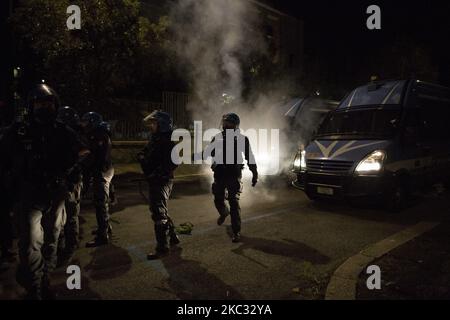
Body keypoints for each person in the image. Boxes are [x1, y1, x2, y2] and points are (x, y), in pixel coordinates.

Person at [0, 84, 88, 299]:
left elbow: (84, 151)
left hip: (55, 194)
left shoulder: (61, 131)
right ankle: (35, 287)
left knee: (52, 240)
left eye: (48, 103)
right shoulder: (19, 131)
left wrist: (70, 171)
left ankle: (45, 279)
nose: (44, 107)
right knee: (30, 243)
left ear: (55, 105)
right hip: (28, 195)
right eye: (40, 103)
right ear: (32, 105)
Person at [204, 113, 258, 243]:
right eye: (224, 122)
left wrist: (254, 173)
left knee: (234, 202)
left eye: (228, 123)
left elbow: (249, 157)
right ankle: (223, 213)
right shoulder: (217, 138)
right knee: (218, 199)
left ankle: (236, 231)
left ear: (235, 125)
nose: (225, 125)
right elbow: (208, 153)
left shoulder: (241, 139)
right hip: (219, 174)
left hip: (233, 175)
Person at [137, 110, 179, 260]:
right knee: (161, 209)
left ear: (162, 125)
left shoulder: (167, 142)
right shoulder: (155, 139)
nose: (151, 126)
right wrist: (142, 157)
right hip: (154, 179)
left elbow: (174, 162)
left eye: (154, 123)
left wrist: (159, 173)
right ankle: (173, 236)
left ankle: (162, 248)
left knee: (158, 212)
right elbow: (145, 153)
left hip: (162, 181)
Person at [80, 112, 114, 247]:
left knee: (100, 203)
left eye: (86, 122)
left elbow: (95, 157)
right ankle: (106, 227)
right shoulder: (99, 134)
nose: (83, 124)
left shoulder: (98, 135)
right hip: (104, 170)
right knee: (102, 202)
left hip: (101, 172)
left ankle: (102, 235)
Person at [56, 106, 83, 261]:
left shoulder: (73, 134)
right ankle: (63, 245)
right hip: (64, 180)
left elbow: (84, 151)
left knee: (70, 214)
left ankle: (70, 246)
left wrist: (70, 165)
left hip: (71, 180)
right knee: (62, 216)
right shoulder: (60, 133)